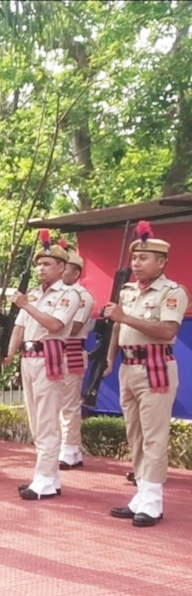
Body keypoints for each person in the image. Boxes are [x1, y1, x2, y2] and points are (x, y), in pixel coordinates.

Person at [103, 220, 188, 527]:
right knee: (135, 434)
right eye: (134, 258)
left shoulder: (172, 292)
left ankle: (153, 501)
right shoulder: (127, 291)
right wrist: (109, 359)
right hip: (128, 366)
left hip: (155, 367)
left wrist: (124, 317)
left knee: (154, 435)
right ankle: (142, 493)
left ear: (162, 262)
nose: (136, 263)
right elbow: (117, 328)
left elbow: (167, 330)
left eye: (143, 258)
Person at [3, 230, 80, 500]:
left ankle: (44, 478)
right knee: (35, 420)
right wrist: (9, 355)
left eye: (47, 264)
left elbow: (55, 324)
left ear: (61, 267)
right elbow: (19, 327)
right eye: (39, 264)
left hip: (50, 356)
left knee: (47, 419)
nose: (41, 268)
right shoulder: (34, 294)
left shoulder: (68, 295)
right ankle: (50, 477)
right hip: (28, 357)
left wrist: (26, 305)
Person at [57, 240, 95, 470]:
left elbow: (75, 326)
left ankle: (69, 448)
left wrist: (48, 326)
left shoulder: (82, 296)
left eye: (65, 268)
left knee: (69, 403)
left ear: (76, 272)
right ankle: (70, 447)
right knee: (55, 402)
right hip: (54, 349)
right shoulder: (55, 293)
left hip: (71, 349)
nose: (61, 272)